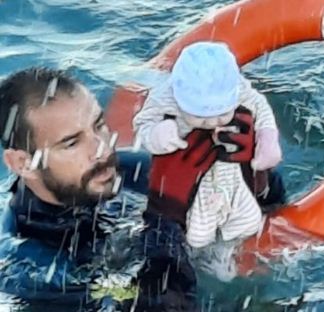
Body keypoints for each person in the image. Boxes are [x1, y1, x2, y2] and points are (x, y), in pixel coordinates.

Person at [0, 67, 198, 311]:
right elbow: (164, 303)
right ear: (23, 163)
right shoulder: (31, 270)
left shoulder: (129, 171)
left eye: (99, 125)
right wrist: (167, 217)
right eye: (72, 143)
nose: (103, 150)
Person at [133, 42, 284, 279]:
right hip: (184, 190)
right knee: (182, 238)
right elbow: (144, 122)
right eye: (202, 117)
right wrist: (158, 134)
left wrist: (267, 142)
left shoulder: (241, 92)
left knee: (248, 213)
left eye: (222, 114)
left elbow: (262, 112)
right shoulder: (165, 97)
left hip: (233, 175)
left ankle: (243, 250)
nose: (214, 123)